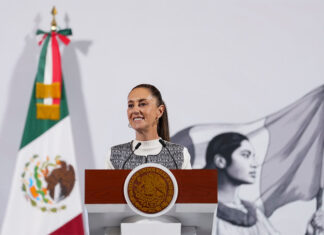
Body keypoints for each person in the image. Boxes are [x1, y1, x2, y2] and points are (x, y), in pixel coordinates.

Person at [205, 132, 279, 235]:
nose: (255, 164)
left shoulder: (254, 213)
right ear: (220, 161)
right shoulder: (201, 212)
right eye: (245, 155)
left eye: (253, 156)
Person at [106, 84, 191, 170]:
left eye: (142, 104)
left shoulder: (179, 154)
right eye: (131, 105)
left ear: (160, 111)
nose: (135, 110)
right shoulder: (115, 155)